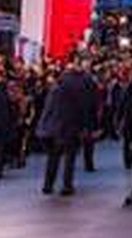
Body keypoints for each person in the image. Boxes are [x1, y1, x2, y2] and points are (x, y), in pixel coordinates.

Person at [38, 57, 98, 198]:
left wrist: (44, 124)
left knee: (53, 156)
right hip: (72, 124)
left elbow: (49, 105)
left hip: (55, 123)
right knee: (69, 157)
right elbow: (87, 106)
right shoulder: (85, 83)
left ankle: (48, 184)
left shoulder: (60, 82)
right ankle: (67, 185)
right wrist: (88, 126)